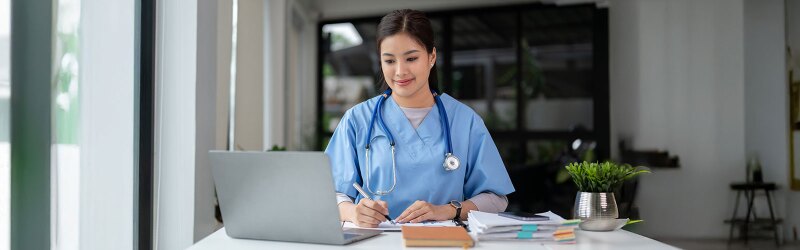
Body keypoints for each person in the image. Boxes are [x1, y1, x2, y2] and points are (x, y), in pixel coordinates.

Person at [325, 9, 514, 228]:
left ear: (431, 57)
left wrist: (447, 210)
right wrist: (353, 212)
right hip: (374, 241)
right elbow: (329, 193)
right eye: (389, 61)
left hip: (443, 242)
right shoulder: (357, 120)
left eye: (411, 58)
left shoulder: (465, 121)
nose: (400, 71)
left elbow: (496, 199)